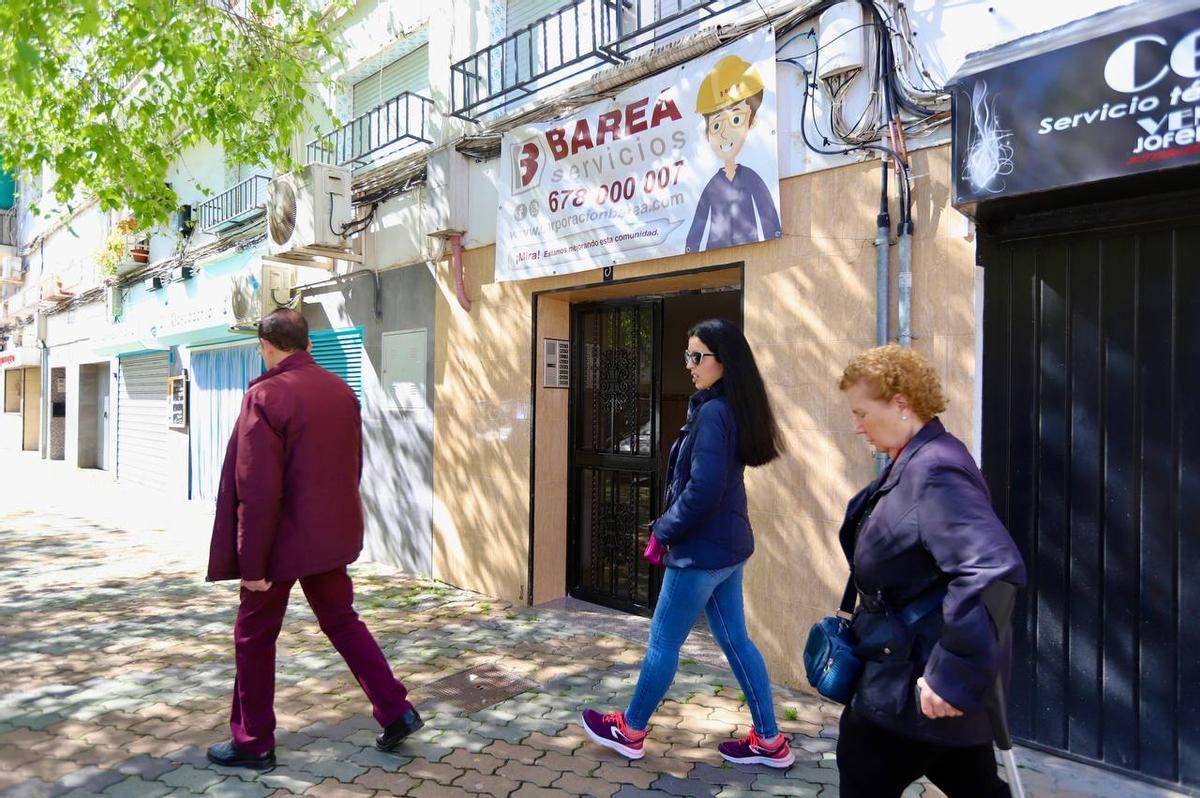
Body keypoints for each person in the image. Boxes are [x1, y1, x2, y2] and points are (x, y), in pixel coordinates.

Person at [205, 308, 422, 770]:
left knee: (254, 636)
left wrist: (253, 565)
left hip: (278, 545)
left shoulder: (266, 395)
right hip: (327, 539)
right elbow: (353, 468)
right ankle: (396, 709)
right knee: (343, 621)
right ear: (306, 344)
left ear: (265, 346)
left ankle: (253, 742)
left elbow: (256, 489)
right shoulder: (340, 391)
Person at [582, 318, 793, 768]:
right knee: (737, 642)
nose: (690, 365)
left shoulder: (716, 412)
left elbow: (703, 489)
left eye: (698, 356)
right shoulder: (727, 407)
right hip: (726, 551)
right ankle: (770, 741)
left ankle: (631, 730)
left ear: (725, 362)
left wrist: (663, 530)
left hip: (700, 553)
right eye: (687, 355)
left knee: (663, 641)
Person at [834, 345, 1026, 797]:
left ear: (901, 403)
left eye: (862, 413)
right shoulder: (917, 458)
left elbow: (990, 569)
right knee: (974, 784)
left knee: (864, 772)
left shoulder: (936, 469)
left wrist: (950, 676)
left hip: (910, 687)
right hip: (914, 680)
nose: (856, 426)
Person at [684, 55, 782, 253]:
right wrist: (690, 247)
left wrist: (773, 234)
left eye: (736, 120)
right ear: (707, 133)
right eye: (716, 125)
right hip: (715, 248)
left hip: (749, 242)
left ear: (751, 122)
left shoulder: (751, 177)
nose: (723, 132)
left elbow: (766, 210)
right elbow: (700, 219)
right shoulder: (712, 184)